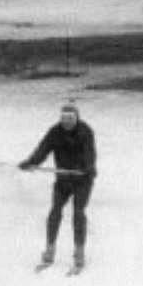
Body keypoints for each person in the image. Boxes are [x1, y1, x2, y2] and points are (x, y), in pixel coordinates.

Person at [18, 103, 97, 273]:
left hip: (82, 179)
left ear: (76, 118)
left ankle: (79, 252)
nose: (66, 122)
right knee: (55, 211)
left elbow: (90, 153)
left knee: (78, 212)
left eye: (70, 119)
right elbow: (43, 149)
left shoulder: (85, 131)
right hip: (63, 180)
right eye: (63, 119)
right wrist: (31, 162)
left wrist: (88, 167)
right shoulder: (55, 132)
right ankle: (50, 249)